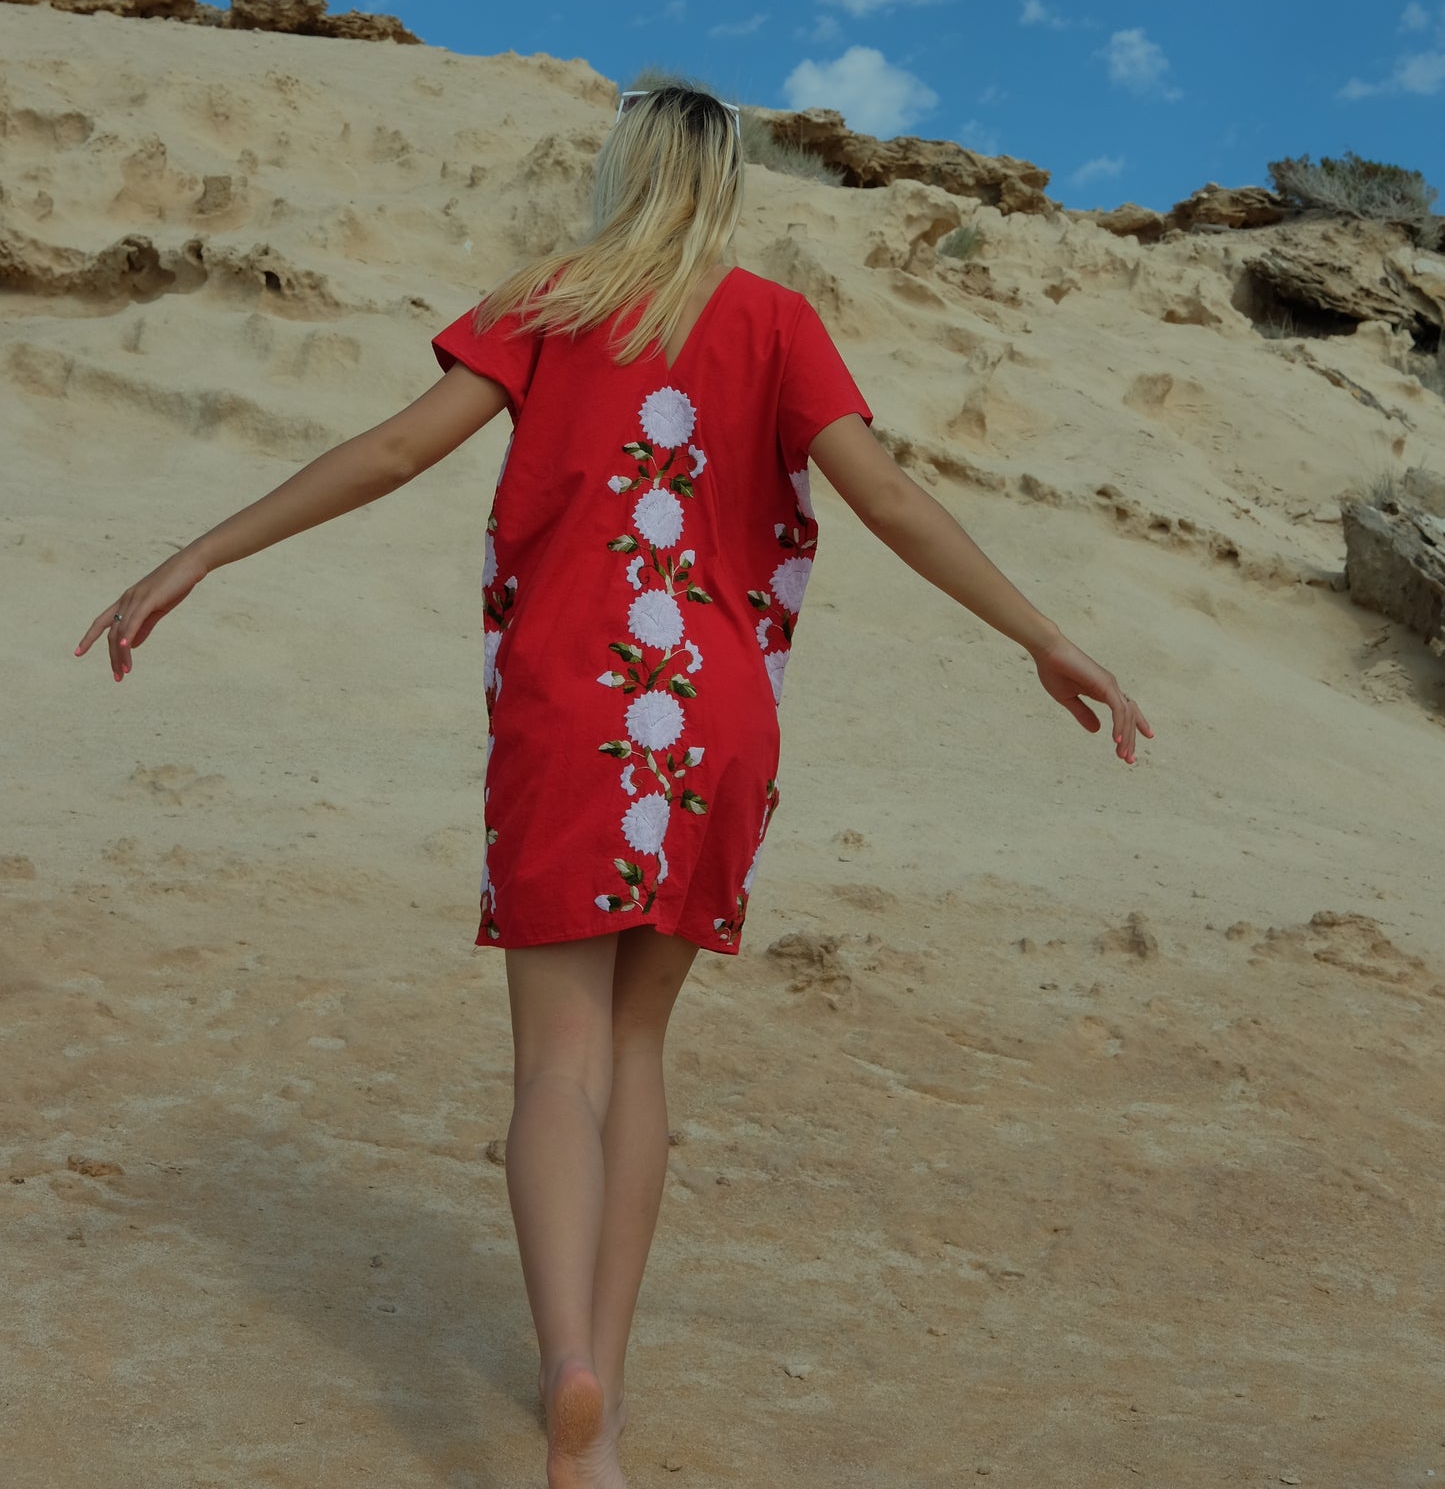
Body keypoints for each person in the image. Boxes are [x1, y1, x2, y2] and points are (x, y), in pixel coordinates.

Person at [76, 79, 1152, 1489]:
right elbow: (886, 497)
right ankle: (611, 1402)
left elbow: (397, 449)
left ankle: (563, 1367)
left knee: (555, 1064)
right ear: (726, 187)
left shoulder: (546, 305)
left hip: (570, 707)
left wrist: (199, 554)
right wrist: (1046, 637)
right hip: (718, 718)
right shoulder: (775, 323)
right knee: (638, 1056)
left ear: (618, 171)